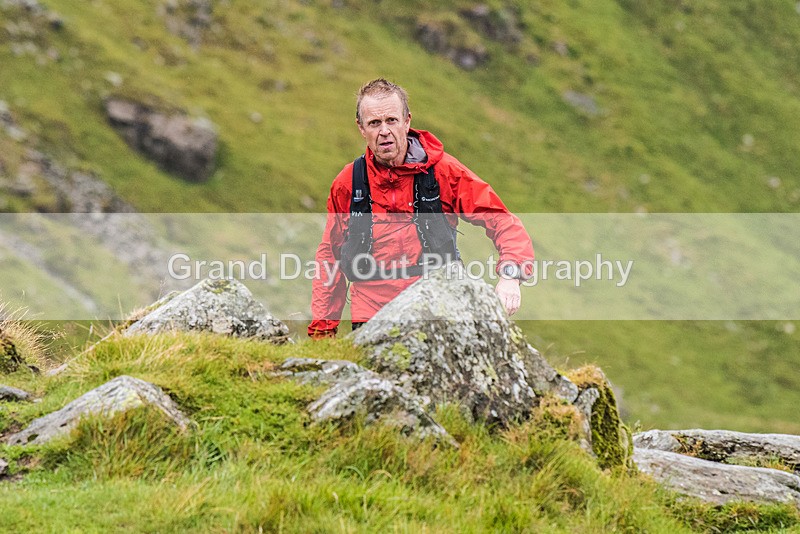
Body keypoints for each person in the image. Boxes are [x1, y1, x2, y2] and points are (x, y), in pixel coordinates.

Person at [308, 78, 534, 339]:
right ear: (361, 128)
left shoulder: (444, 172)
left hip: (440, 308)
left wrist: (511, 276)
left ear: (407, 121)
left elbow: (502, 221)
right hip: (371, 320)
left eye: (391, 120)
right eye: (374, 123)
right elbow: (330, 257)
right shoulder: (348, 183)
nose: (384, 131)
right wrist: (322, 333)